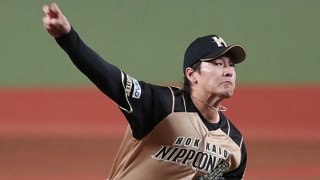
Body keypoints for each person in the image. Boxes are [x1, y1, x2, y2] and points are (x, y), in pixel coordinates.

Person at [42, 3, 247, 180]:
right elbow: (110, 79)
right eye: (218, 63)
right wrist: (67, 37)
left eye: (231, 66)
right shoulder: (162, 106)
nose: (228, 71)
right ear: (192, 74)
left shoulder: (233, 144)